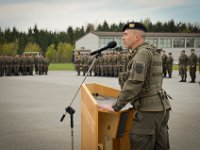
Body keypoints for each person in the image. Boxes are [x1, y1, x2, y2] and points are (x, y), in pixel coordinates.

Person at [99, 22, 171, 150]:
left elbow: (135, 82)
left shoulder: (142, 53)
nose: (123, 38)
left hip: (148, 110)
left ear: (137, 37)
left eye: (126, 34)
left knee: (140, 143)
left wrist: (116, 106)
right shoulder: (151, 50)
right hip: (160, 108)